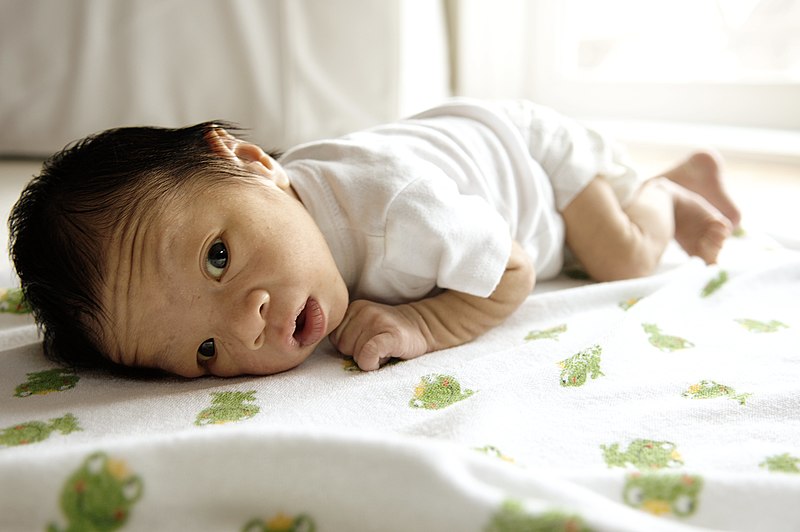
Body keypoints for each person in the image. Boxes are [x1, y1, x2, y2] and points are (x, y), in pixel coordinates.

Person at [8, 99, 741, 378]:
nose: (245, 321)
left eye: (218, 257)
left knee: (616, 258)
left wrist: (422, 323)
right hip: (467, 150)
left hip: (537, 161)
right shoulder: (280, 221)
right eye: (204, 354)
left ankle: (665, 191)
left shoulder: (397, 211)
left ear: (252, 161)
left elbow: (513, 270)